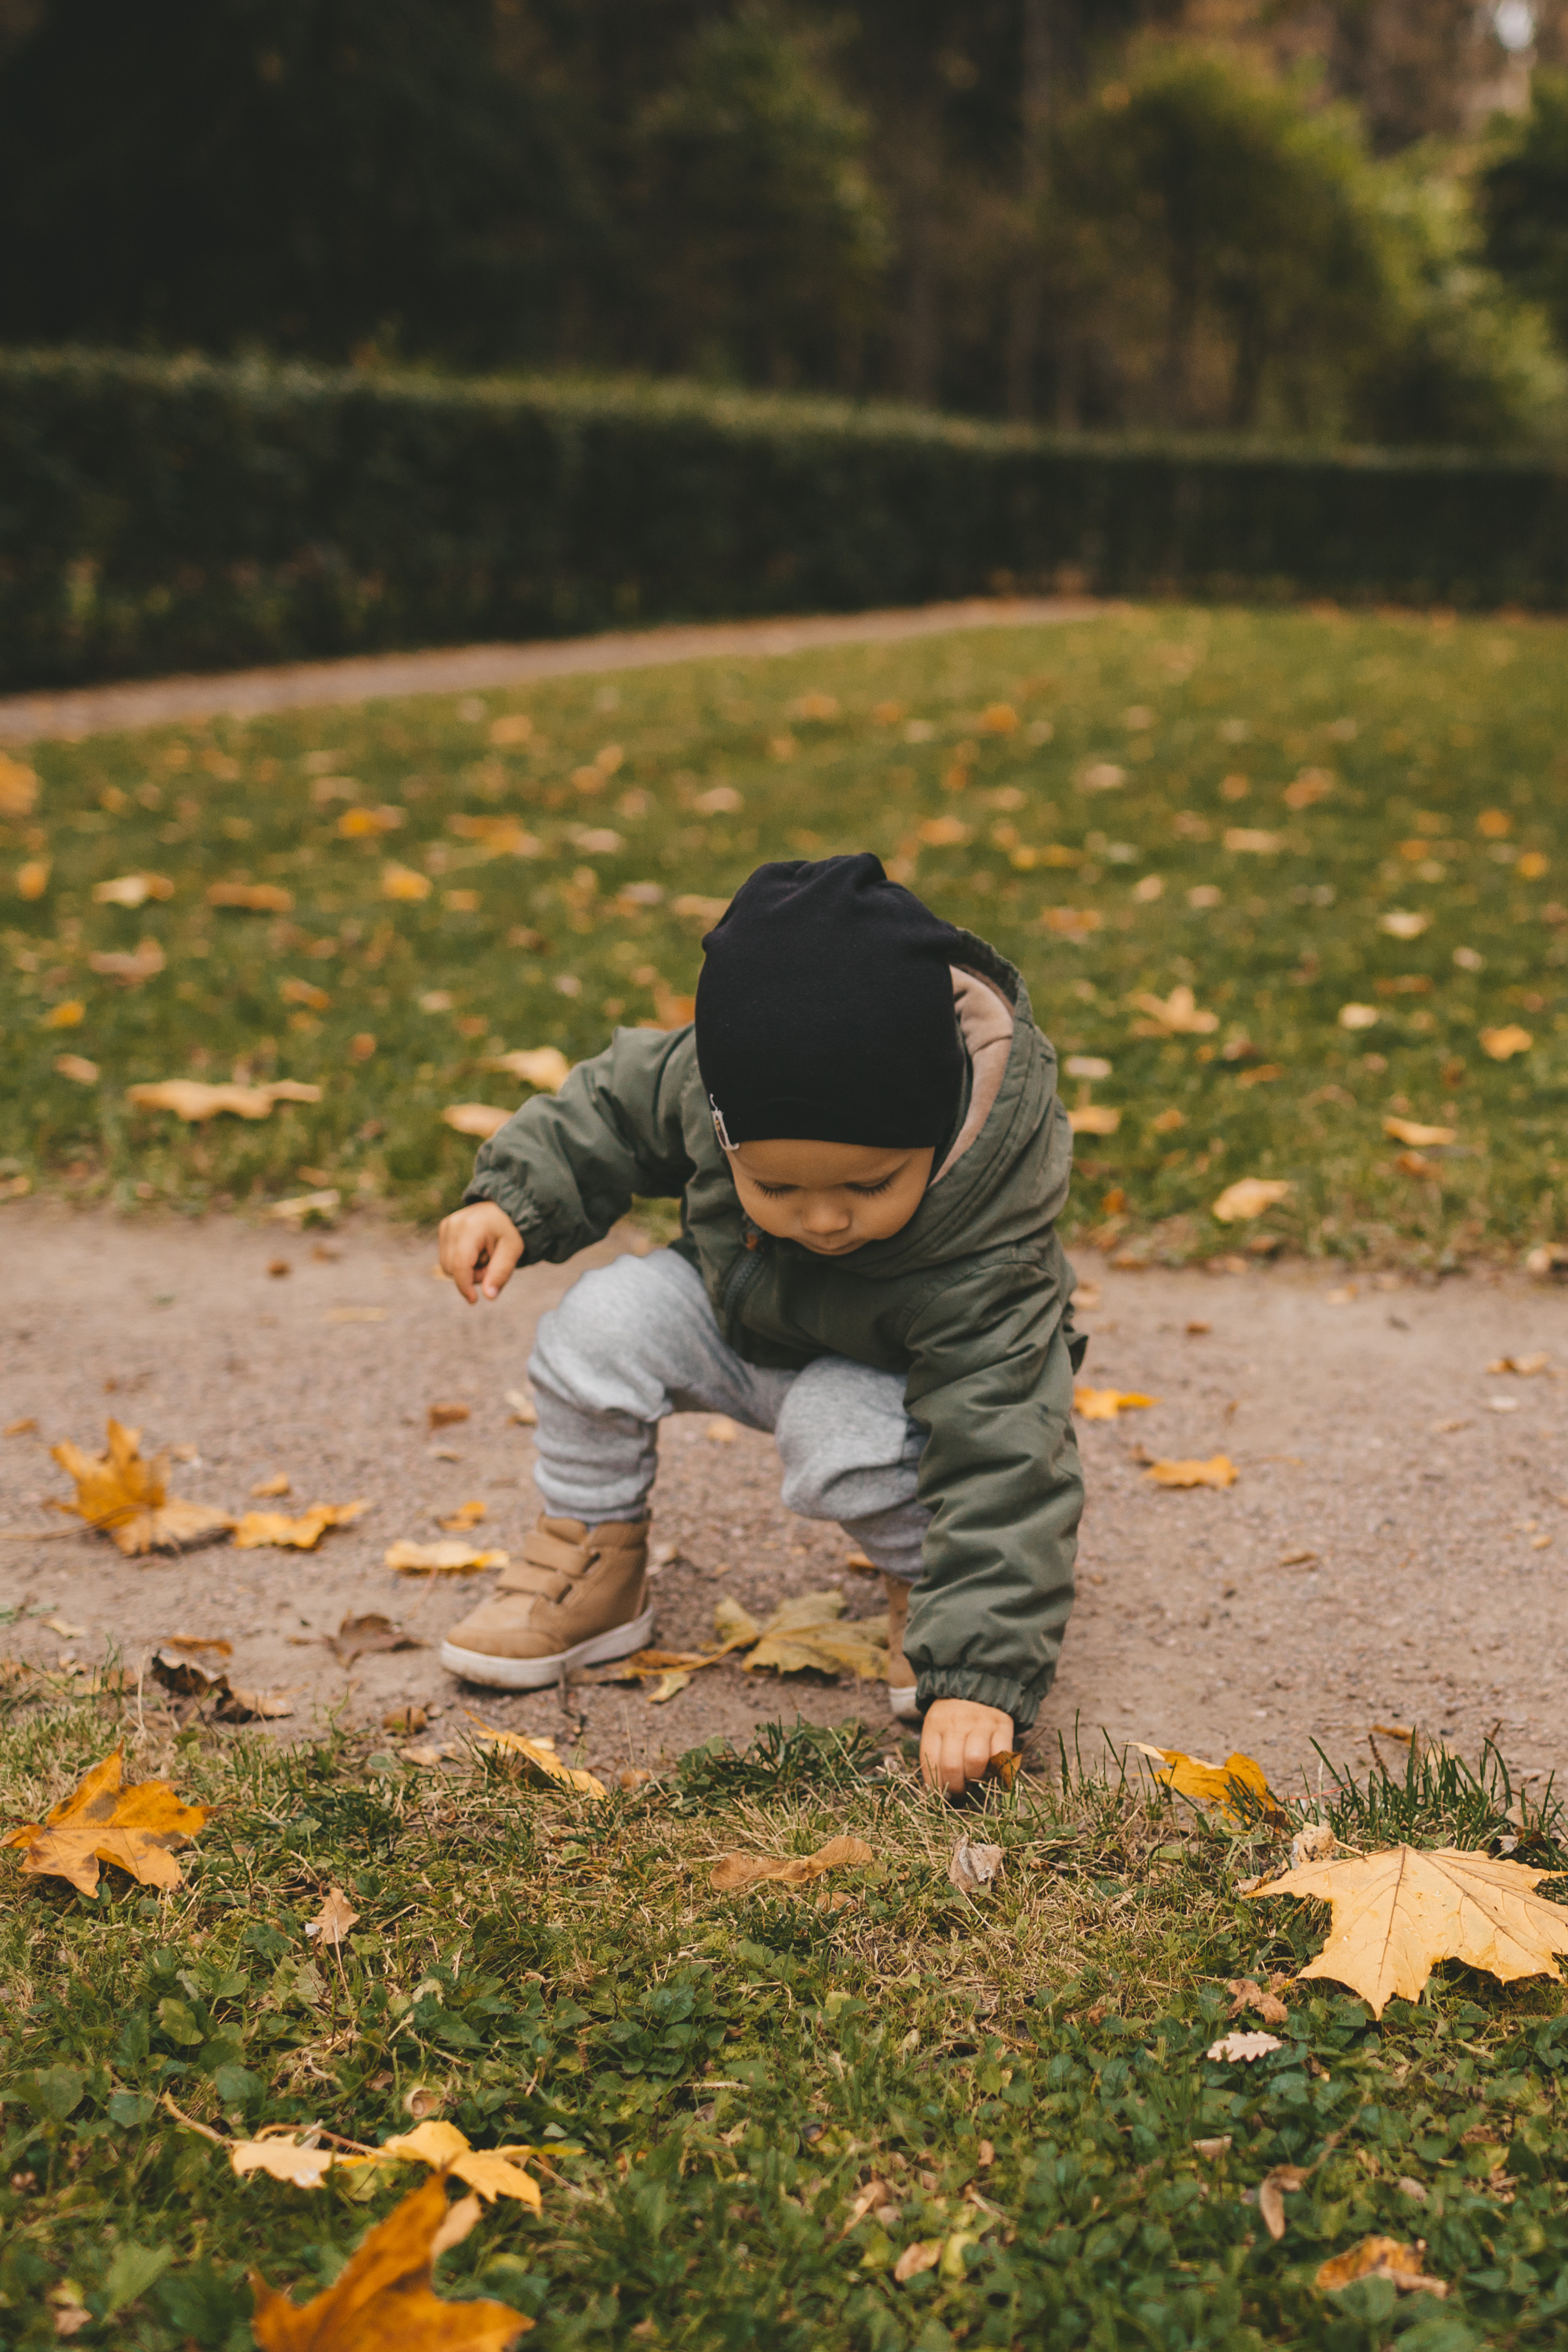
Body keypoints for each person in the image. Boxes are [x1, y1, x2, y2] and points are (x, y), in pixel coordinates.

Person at [435, 853, 1084, 1794]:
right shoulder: (714, 1080)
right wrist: (511, 1199)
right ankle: (595, 1561)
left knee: (840, 1431)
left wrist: (983, 1676)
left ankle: (936, 1604)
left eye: (868, 1185)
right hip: (747, 1323)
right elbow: (609, 1107)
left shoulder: (987, 1251)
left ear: (933, 1132)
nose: (822, 1219)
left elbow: (1008, 1454)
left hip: (889, 1382)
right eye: (774, 1186)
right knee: (597, 1324)